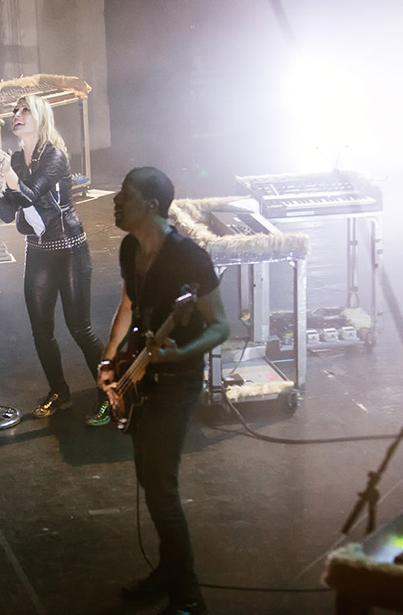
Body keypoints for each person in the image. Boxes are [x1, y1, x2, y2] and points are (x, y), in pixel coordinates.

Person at [97, 167, 229, 615]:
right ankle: (169, 572)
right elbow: (130, 305)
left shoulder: (189, 258)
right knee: (151, 482)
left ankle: (188, 595)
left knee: (162, 488)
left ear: (151, 205)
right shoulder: (129, 247)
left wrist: (179, 352)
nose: (116, 201)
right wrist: (108, 359)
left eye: (125, 195)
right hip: (140, 374)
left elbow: (223, 326)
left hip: (177, 382)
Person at [0, 94, 109, 425]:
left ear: (40, 118)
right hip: (38, 251)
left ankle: (108, 394)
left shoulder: (54, 156)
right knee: (41, 331)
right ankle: (60, 392)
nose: (17, 115)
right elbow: (6, 213)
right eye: (15, 110)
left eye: (25, 110)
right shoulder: (15, 159)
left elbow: (31, 193)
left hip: (69, 248)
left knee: (80, 328)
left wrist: (10, 180)